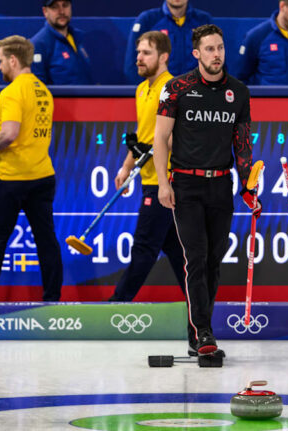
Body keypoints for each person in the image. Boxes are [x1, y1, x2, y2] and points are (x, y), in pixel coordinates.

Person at [154, 24, 260, 356]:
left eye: (221, 48)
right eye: (210, 49)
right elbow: (160, 139)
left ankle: (198, 329)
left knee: (214, 261)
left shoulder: (239, 92)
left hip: (220, 185)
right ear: (197, 53)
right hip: (185, 184)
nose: (217, 54)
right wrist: (162, 182)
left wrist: (247, 187)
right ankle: (204, 332)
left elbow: (242, 146)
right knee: (196, 258)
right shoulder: (176, 89)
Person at [0, 35, 63, 301]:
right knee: (46, 242)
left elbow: (11, 135)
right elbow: (21, 134)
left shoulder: (11, 92)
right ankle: (52, 298)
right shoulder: (43, 90)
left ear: (13, 60)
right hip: (42, 176)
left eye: (1, 61)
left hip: (13, 178)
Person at [108, 31, 186, 301]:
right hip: (150, 179)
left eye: (146, 53)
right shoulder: (141, 89)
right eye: (138, 52)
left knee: (143, 248)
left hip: (167, 183)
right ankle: (200, 306)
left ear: (163, 57)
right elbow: (144, 136)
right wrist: (126, 167)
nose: (138, 58)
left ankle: (115, 307)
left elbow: (180, 135)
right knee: (176, 250)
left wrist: (157, 147)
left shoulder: (172, 88)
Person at [123, 0, 212, 84]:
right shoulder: (148, 19)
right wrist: (146, 91)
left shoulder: (203, 20)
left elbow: (216, 57)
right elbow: (132, 63)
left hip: (196, 91)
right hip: (159, 92)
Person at [30, 0, 93, 85]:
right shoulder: (38, 45)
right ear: (45, 12)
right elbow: (36, 89)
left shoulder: (80, 37)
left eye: (65, 5)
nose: (62, 11)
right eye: (55, 7)